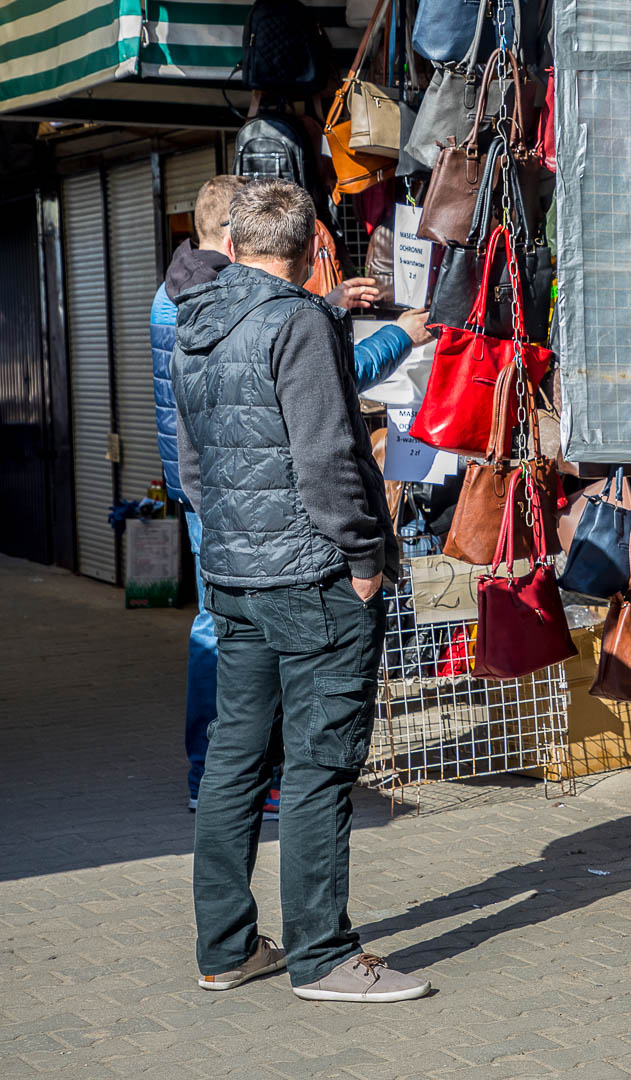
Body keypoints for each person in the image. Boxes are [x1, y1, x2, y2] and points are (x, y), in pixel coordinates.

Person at [173, 179, 430, 1002]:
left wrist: (230, 547)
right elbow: (326, 458)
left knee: (236, 760)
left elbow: (192, 466)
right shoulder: (301, 321)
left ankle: (226, 948)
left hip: (236, 577)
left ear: (240, 244)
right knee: (321, 764)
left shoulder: (194, 319)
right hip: (313, 579)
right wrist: (365, 557)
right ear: (315, 248)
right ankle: (321, 956)